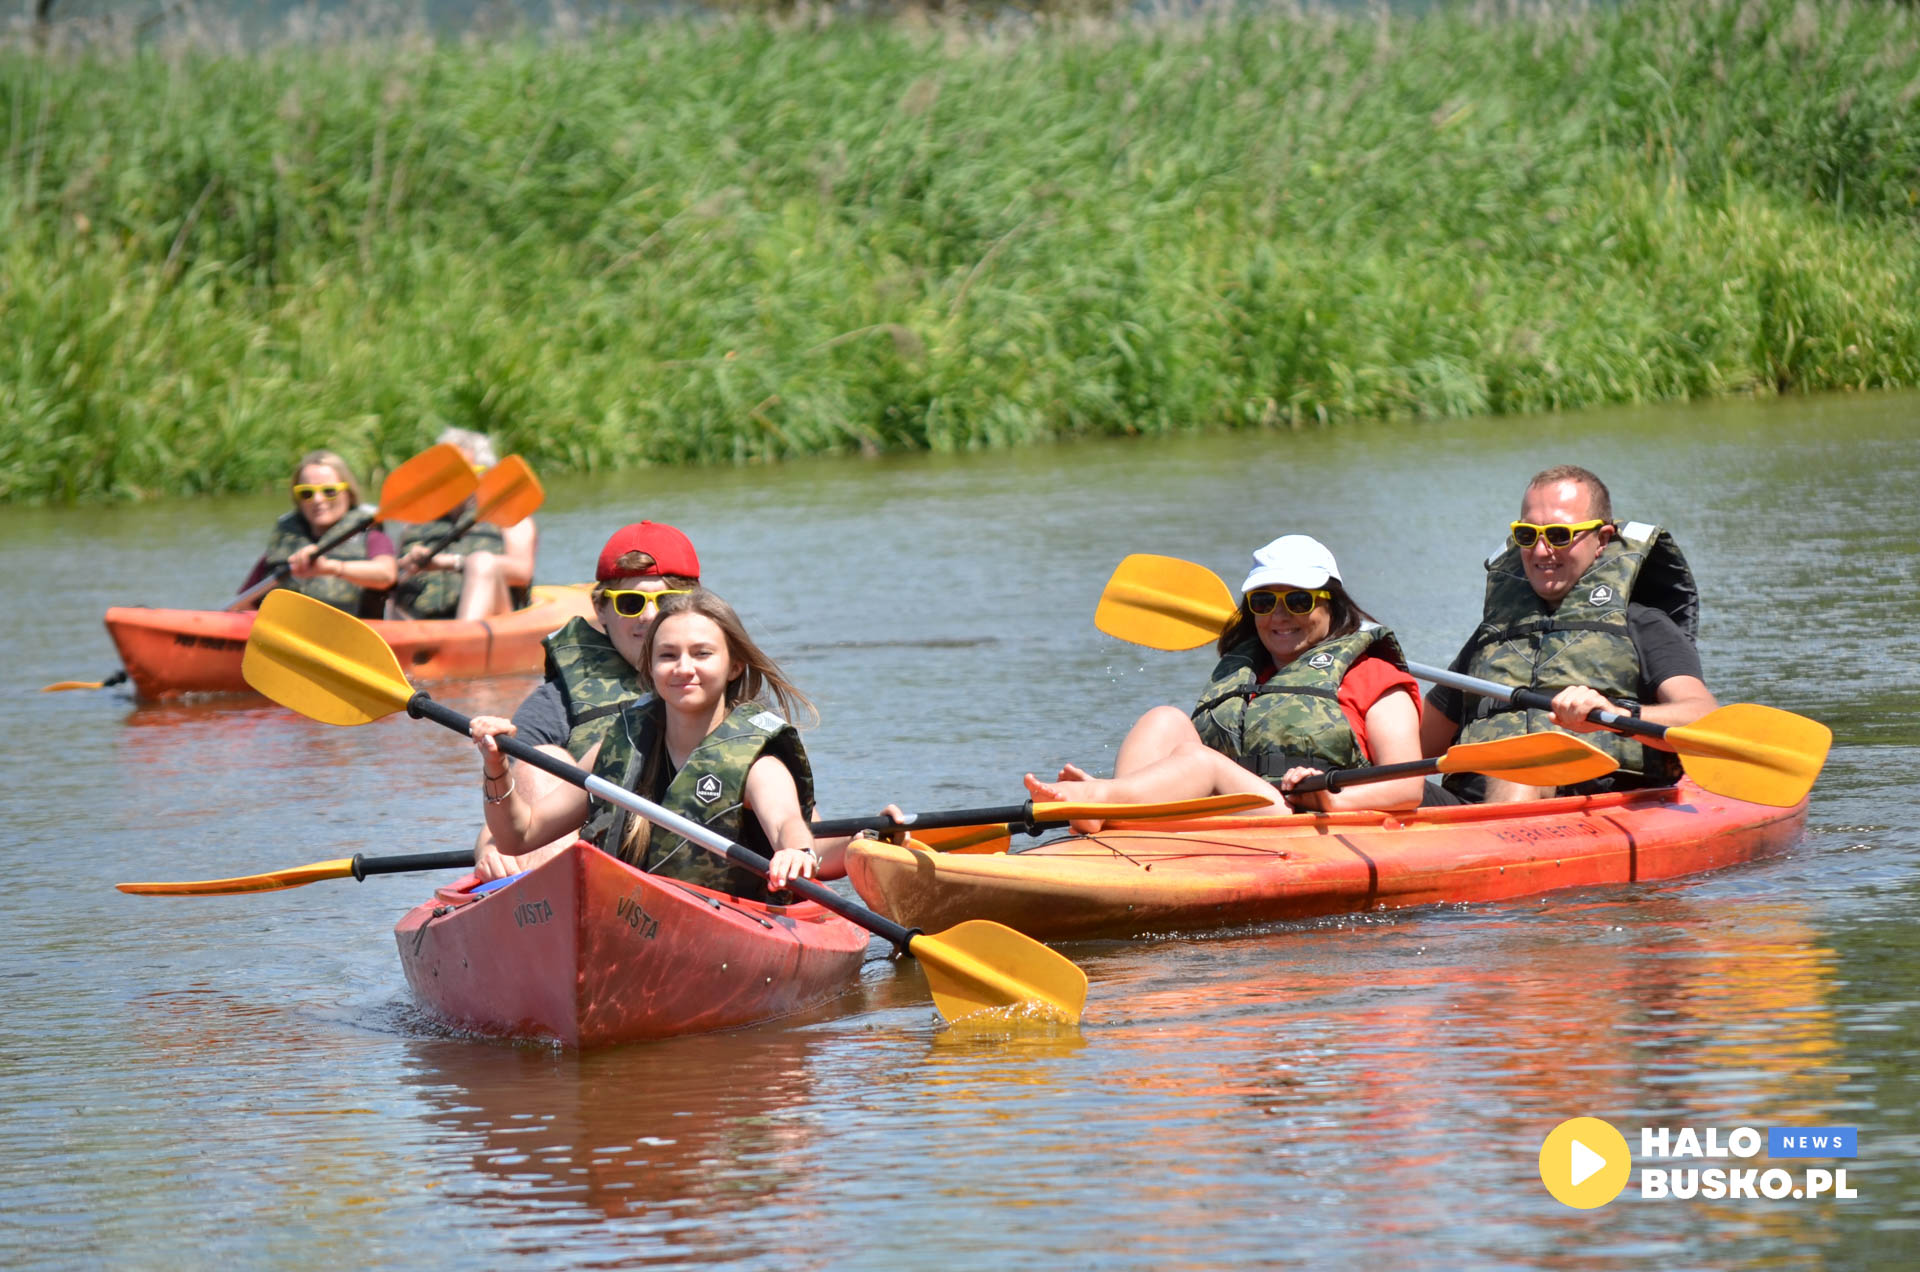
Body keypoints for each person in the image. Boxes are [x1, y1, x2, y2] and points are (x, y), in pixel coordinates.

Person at [469, 589, 856, 901]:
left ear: (734, 666)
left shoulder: (757, 762)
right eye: (668, 656)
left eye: (702, 654)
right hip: (626, 915)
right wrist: (497, 769)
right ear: (650, 669)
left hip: (724, 921)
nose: (684, 668)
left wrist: (794, 853)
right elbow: (518, 836)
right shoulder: (620, 747)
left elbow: (787, 822)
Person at [1026, 535, 1427, 823]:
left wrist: (1329, 798)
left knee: (1202, 763)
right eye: (1264, 602)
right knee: (1163, 718)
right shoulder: (1248, 673)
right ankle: (1113, 815)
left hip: (1300, 818)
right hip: (1230, 811)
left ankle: (1101, 799)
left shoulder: (1376, 678)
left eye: (1299, 600)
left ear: (1331, 605)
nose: (1280, 616)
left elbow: (1408, 789)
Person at [1419, 464, 1716, 803]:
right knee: (1375, 791)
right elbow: (1415, 748)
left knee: (1523, 774)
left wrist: (1617, 716)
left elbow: (1702, 719)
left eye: (1560, 535)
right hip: (1472, 810)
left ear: (1601, 539)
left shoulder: (1643, 624)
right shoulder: (1493, 635)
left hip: (1582, 805)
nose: (1542, 551)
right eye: (1528, 536)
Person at [469, 521, 701, 879]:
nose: (650, 616)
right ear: (601, 608)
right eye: (630, 602)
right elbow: (516, 797)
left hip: (695, 859)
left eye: (667, 602)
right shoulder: (556, 702)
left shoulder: (722, 682)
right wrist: (487, 848)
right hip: (588, 866)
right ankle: (564, 906)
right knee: (541, 760)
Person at [389, 428, 538, 621]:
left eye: (461, 471)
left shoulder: (511, 519)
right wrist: (405, 564)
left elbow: (522, 572)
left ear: (484, 473)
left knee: (482, 562)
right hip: (418, 624)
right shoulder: (414, 522)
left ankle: (463, 637)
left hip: (492, 622)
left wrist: (455, 562)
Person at [236, 450, 397, 616]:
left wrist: (331, 568)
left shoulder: (371, 536)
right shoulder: (287, 539)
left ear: (348, 493)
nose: (318, 500)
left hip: (352, 633)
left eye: (329, 491)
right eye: (307, 493)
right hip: (288, 631)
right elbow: (242, 603)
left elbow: (387, 575)